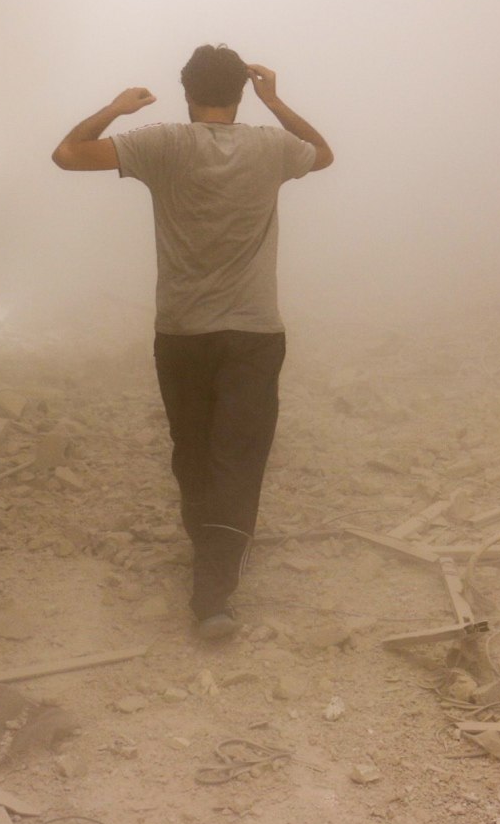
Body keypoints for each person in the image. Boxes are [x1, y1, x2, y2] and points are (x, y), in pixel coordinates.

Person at [51, 44, 333, 639]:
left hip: (180, 331)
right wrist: (276, 100)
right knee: (239, 456)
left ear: (186, 94)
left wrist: (117, 106)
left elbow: (67, 154)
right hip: (254, 332)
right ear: (239, 94)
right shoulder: (273, 146)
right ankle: (215, 583)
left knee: (194, 450)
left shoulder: (160, 143)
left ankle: (210, 567)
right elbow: (325, 154)